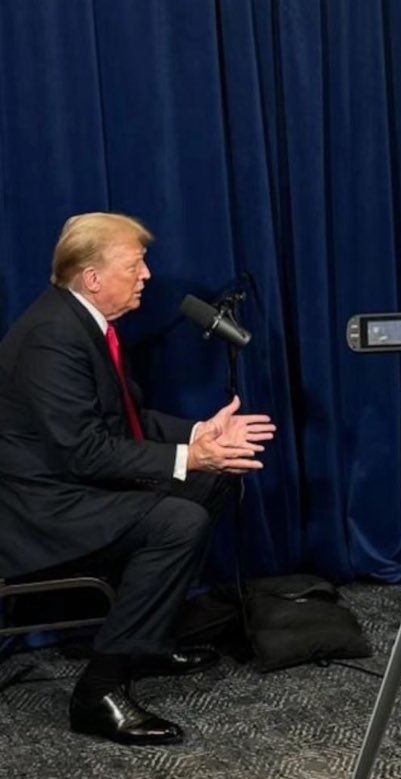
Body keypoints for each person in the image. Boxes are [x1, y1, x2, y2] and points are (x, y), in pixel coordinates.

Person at [0, 212, 276, 744]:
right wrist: (188, 457)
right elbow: (85, 452)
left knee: (212, 482)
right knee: (178, 518)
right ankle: (97, 692)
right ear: (93, 277)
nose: (147, 274)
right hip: (42, 510)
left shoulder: (83, 324)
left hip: (71, 485)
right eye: (136, 263)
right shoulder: (52, 338)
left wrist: (201, 432)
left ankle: (144, 639)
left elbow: (127, 419)